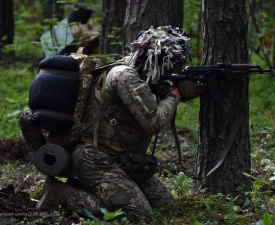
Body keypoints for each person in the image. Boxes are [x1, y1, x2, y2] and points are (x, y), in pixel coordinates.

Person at [36, 25, 204, 222]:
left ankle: (104, 193)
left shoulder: (145, 76)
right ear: (156, 59)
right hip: (96, 158)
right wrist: (177, 94)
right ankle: (63, 193)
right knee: (139, 215)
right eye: (171, 64)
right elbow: (154, 121)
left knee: (166, 207)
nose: (173, 70)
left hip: (126, 160)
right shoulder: (125, 76)